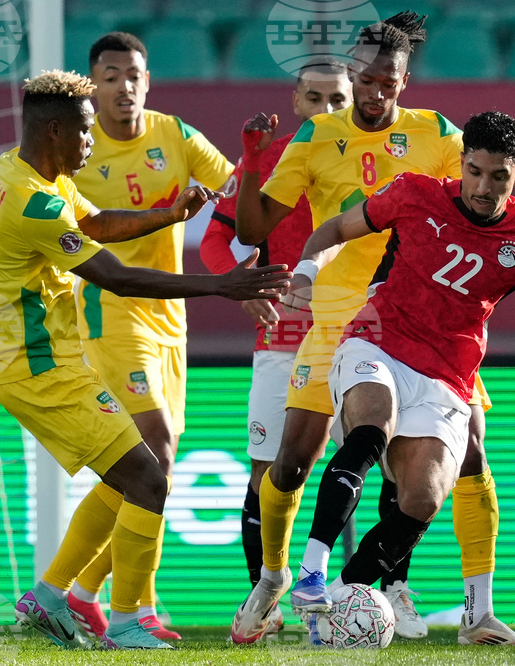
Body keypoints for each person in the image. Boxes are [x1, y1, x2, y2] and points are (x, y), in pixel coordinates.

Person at [286, 110, 515, 646]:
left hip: (448, 372)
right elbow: (335, 227)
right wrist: (308, 271)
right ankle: (310, 570)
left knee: (422, 499)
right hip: (377, 341)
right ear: (463, 162)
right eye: (475, 171)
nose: (484, 187)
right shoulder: (415, 193)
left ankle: (343, 596)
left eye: (499, 177)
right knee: (371, 428)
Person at [0, 70, 290, 650]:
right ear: (54, 130)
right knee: (147, 476)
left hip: (47, 358)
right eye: (84, 130)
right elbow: (116, 278)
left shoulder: (21, 169)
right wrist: (219, 287)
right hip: (37, 367)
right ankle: (124, 621)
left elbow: (94, 224)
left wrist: (169, 216)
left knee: (131, 475)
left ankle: (49, 597)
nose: (92, 142)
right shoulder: (32, 202)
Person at [229, 11, 514, 645]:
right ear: (352, 74)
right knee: (293, 462)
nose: (374, 90)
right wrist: (252, 165)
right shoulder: (314, 136)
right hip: (333, 317)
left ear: (404, 83)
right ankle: (273, 578)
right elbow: (252, 230)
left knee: (463, 451)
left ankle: (446, 602)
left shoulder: (438, 134)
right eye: (365, 77)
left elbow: (483, 196)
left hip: (418, 317)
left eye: (389, 80)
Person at [60, 31, 235, 642]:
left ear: (148, 80)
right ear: (93, 85)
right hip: (110, 312)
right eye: (110, 76)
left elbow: (238, 193)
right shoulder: (79, 149)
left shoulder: (176, 135)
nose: (123, 87)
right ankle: (108, 604)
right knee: (151, 449)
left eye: (133, 75)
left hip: (169, 319)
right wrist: (173, 213)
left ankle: (94, 596)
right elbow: (90, 228)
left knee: (154, 467)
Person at [200, 57, 352, 636]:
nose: (327, 110)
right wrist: (241, 291)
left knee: (357, 464)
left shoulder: (376, 162)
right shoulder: (269, 161)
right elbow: (219, 238)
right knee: (269, 472)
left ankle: (349, 595)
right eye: (315, 99)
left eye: (337, 99)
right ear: (296, 102)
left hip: (358, 334)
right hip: (284, 336)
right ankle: (261, 600)